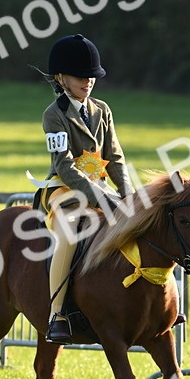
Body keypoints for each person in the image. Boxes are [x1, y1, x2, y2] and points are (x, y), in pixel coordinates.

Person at [35, 34, 134, 344]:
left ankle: (152, 303)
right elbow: (65, 165)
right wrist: (102, 198)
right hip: (64, 189)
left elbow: (115, 158)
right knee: (69, 230)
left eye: (92, 76)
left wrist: (128, 196)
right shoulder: (53, 115)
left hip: (101, 188)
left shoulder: (102, 110)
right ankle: (58, 313)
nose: (88, 81)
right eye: (80, 76)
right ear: (61, 78)